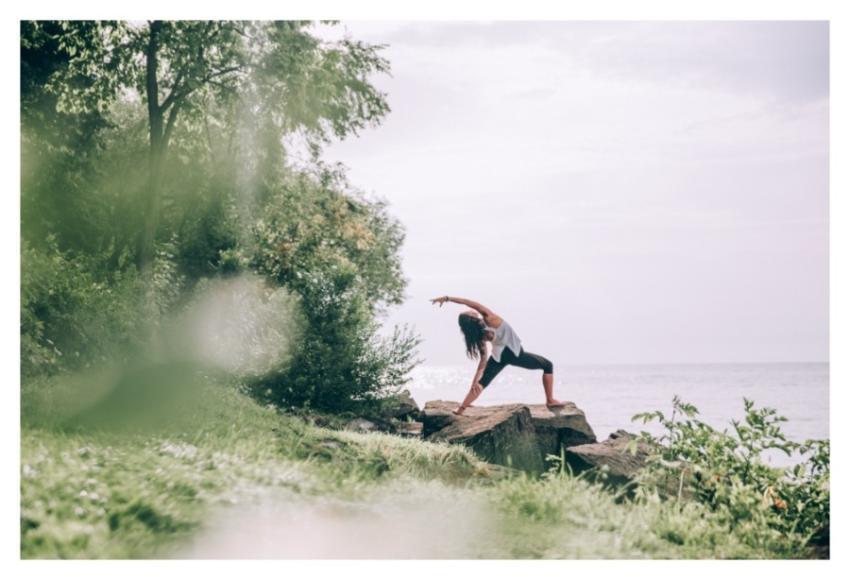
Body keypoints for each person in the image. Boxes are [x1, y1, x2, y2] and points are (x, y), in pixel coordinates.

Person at [430, 295, 565, 415]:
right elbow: (469, 302)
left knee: (482, 383)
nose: (471, 310)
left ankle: (461, 408)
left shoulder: (479, 336)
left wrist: (475, 382)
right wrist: (448, 298)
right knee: (547, 365)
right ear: (472, 318)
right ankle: (550, 399)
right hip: (514, 353)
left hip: (499, 356)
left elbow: (482, 362)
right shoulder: (490, 318)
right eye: (469, 312)